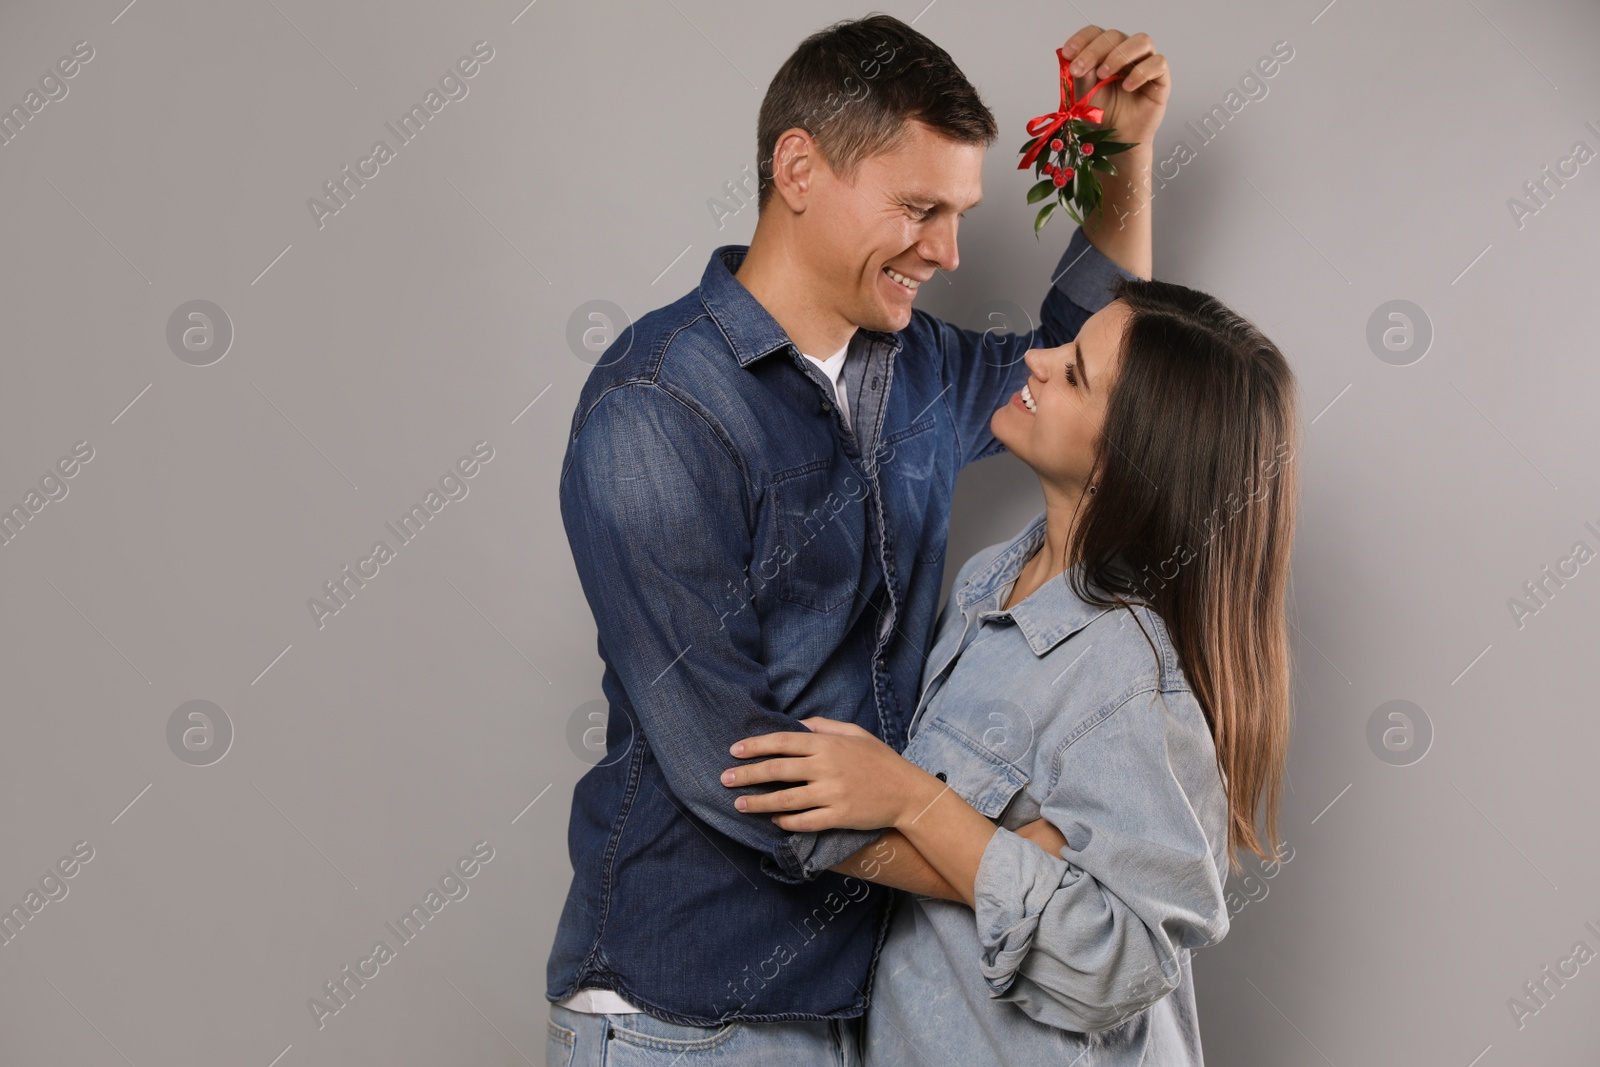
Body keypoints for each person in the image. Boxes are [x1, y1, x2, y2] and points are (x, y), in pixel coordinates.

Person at [547, 15, 1166, 1066]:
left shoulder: (913, 365)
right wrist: (1020, 875)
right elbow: (746, 776)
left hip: (855, 1008)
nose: (949, 251)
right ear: (798, 168)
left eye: (959, 213)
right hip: (685, 1017)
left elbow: (1088, 364)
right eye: (919, 208)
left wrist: (1122, 157)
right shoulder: (655, 408)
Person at [719, 268, 1299, 1064]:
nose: (1038, 359)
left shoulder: (1131, 679)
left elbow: (1120, 963)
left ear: (1127, 458)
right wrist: (1021, 850)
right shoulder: (990, 579)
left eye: (1074, 372)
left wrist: (911, 799)